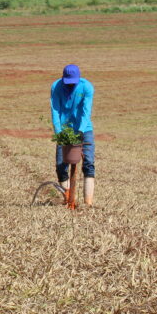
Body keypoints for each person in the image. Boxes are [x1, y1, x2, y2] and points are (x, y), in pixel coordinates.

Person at [50, 63, 96, 206]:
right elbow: (55, 110)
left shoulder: (87, 87)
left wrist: (81, 131)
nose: (70, 85)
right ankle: (69, 199)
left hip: (84, 128)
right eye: (67, 83)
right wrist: (59, 133)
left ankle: (88, 203)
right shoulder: (56, 87)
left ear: (78, 79)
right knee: (60, 165)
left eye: (73, 83)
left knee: (88, 162)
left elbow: (85, 112)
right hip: (64, 130)